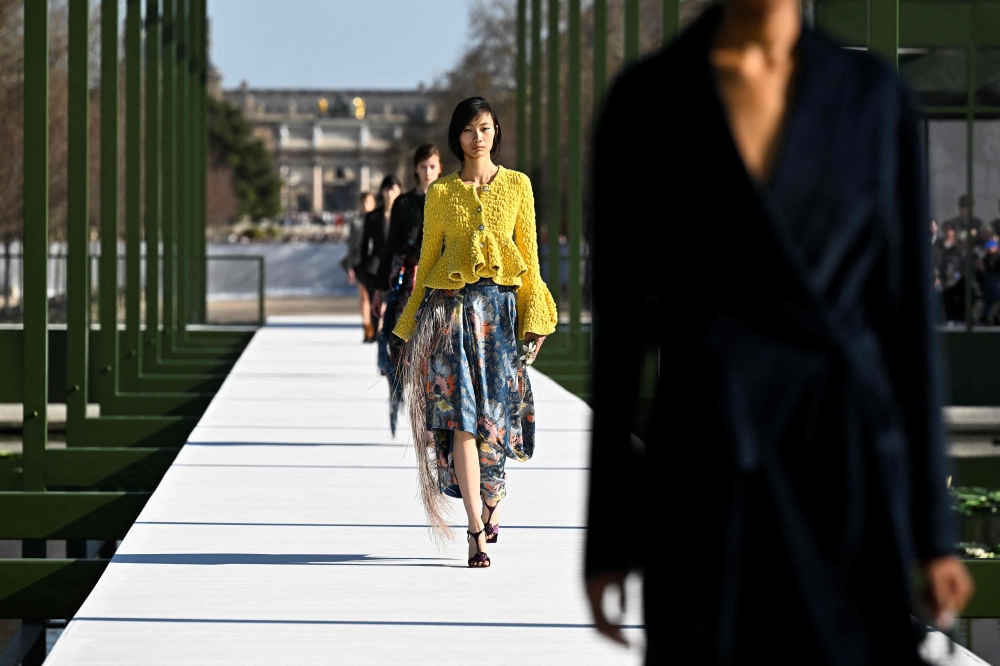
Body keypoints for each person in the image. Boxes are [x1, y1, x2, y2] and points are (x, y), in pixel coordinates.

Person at [586, 1, 972, 664]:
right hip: (706, 470)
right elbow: (621, 342)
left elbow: (908, 326)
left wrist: (934, 534)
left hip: (842, 469)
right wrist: (608, 542)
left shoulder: (872, 100)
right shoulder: (648, 100)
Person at [393, 97, 557, 568]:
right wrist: (406, 330)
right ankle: (473, 531)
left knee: (494, 426)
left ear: (496, 131)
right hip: (449, 318)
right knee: (461, 419)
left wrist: (536, 319)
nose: (476, 137)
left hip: (499, 323)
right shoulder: (441, 195)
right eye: (468, 130)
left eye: (484, 128)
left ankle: (491, 504)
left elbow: (530, 263)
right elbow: (427, 268)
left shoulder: (518, 187)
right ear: (457, 137)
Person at [371, 143, 443, 435]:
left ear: (440, 168)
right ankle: (402, 391)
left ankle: (433, 411)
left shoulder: (448, 198)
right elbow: (390, 247)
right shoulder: (404, 204)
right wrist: (379, 289)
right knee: (400, 341)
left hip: (437, 281)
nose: (427, 172)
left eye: (432, 167)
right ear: (415, 168)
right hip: (408, 279)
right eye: (423, 167)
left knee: (435, 345)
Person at [357, 175, 401, 342]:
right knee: (375, 302)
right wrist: (363, 264)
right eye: (387, 189)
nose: (390, 194)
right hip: (375, 265)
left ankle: (390, 334)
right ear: (382, 192)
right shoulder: (373, 216)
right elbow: (364, 243)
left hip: (398, 264)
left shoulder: (404, 216)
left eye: (393, 190)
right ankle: (375, 333)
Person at [343, 191, 376, 342]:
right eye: (363, 202)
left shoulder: (380, 219)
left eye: (368, 202)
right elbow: (351, 245)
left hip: (376, 262)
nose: (366, 205)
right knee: (364, 296)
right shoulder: (356, 222)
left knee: (377, 296)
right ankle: (367, 327)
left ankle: (377, 327)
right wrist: (350, 266)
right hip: (360, 262)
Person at [937, 221, 966, 324]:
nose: (948, 233)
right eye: (946, 230)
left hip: (958, 278)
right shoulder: (939, 246)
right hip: (944, 277)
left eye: (950, 230)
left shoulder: (960, 245)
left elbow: (964, 262)